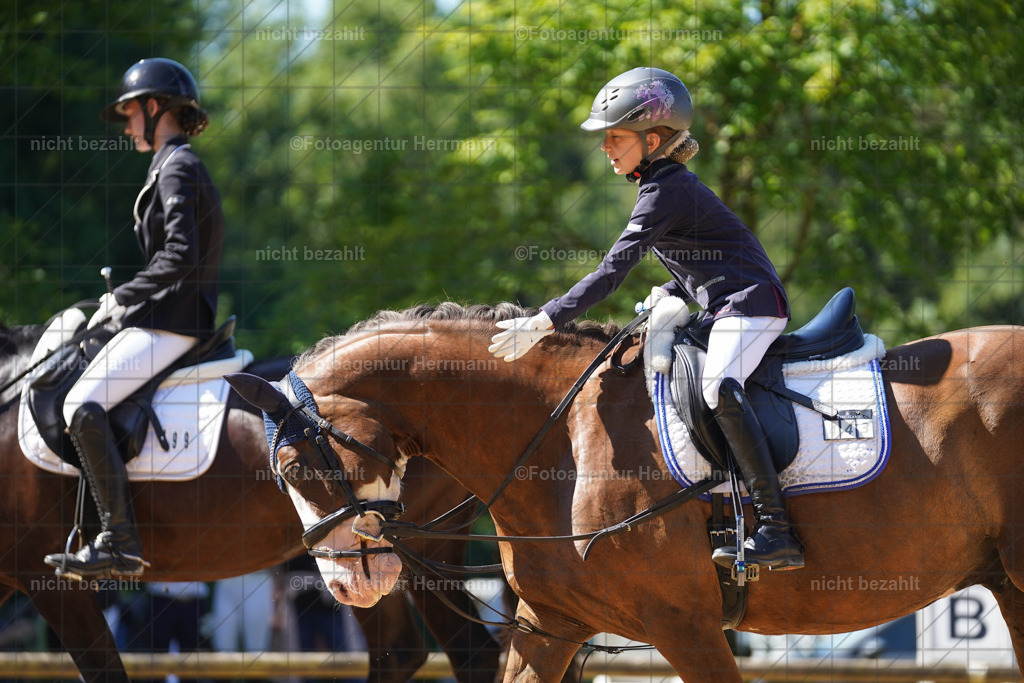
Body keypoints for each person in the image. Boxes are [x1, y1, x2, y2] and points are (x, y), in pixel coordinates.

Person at [488, 67, 803, 571]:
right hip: (727, 301)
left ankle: (776, 528)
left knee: (718, 387)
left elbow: (612, 272)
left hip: (751, 304)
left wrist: (545, 321)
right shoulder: (664, 186)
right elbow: (709, 255)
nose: (606, 148)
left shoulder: (665, 191)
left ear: (651, 139)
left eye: (615, 137)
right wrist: (673, 290)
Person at [44, 57, 224, 578]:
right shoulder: (169, 165)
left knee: (80, 404)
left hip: (174, 324)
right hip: (165, 317)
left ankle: (119, 539)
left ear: (154, 107)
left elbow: (180, 256)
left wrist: (121, 298)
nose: (126, 127)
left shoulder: (178, 166)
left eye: (130, 114)